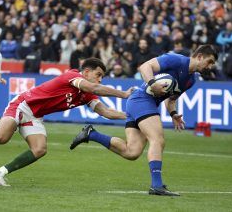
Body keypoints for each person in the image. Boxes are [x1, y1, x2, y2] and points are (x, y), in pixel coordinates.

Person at [70, 45, 218, 196]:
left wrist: (173, 113)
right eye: (210, 61)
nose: (210, 66)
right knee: (157, 139)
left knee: (131, 152)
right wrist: (153, 85)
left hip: (141, 103)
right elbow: (145, 67)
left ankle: (91, 134)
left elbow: (171, 99)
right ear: (199, 56)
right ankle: (157, 185)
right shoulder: (175, 60)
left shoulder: (191, 80)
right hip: (142, 100)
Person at [0, 57, 134, 186]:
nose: (100, 80)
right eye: (98, 75)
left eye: (102, 77)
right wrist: (124, 94)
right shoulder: (73, 76)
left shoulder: (87, 95)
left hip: (35, 115)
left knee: (40, 149)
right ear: (86, 72)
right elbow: (94, 87)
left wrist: (130, 115)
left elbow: (106, 112)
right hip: (23, 105)